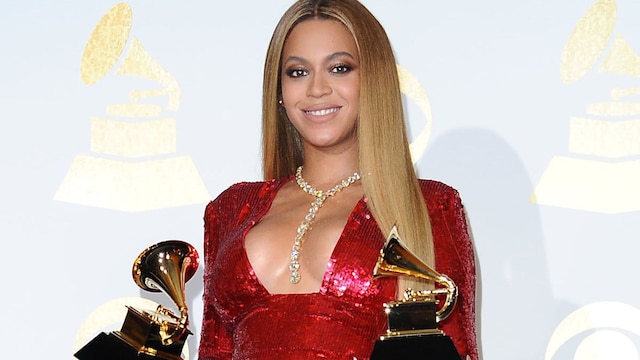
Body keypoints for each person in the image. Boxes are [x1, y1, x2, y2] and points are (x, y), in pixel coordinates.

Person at [198, 0, 478, 359]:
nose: (317, 89)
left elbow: (456, 349)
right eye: (297, 72)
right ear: (279, 92)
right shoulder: (233, 208)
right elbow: (213, 349)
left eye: (339, 68)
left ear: (372, 81)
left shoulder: (428, 206)